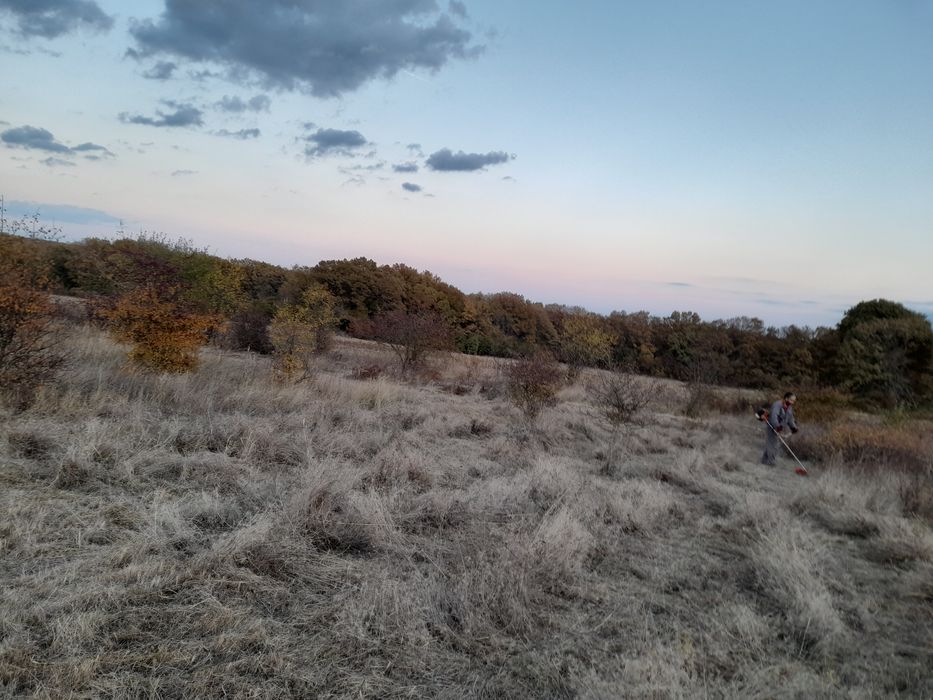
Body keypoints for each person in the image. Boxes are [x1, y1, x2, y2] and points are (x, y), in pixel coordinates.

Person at [761, 392, 798, 466]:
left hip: (779, 427)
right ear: (786, 398)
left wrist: (793, 427)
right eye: (791, 400)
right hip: (772, 426)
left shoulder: (789, 408)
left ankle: (764, 460)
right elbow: (774, 416)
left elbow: (790, 418)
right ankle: (770, 462)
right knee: (773, 444)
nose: (792, 402)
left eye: (793, 401)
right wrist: (777, 426)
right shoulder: (777, 405)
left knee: (772, 443)